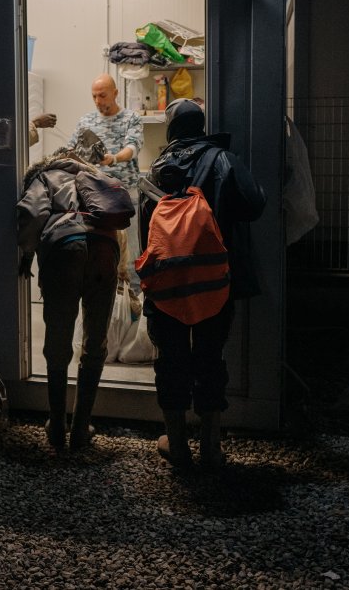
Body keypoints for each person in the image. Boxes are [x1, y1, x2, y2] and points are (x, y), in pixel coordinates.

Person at [138, 98, 266, 473]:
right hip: (214, 280)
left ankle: (177, 444)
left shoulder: (157, 167)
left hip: (168, 284)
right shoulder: (223, 160)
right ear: (201, 126)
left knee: (171, 359)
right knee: (210, 357)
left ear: (172, 130)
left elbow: (146, 232)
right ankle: (210, 447)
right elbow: (254, 205)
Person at [16, 150, 119, 451]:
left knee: (58, 340)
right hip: (105, 250)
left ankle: (58, 425)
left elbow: (32, 214)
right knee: (95, 340)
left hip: (65, 248)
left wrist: (27, 251)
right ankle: (81, 427)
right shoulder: (96, 177)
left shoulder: (44, 176)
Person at [67, 73, 144, 293]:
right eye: (94, 96)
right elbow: (71, 150)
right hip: (94, 197)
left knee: (131, 254)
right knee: (98, 250)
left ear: (115, 93)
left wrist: (114, 158)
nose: (98, 101)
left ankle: (133, 300)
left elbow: (133, 148)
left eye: (102, 95)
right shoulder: (86, 122)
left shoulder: (131, 118)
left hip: (125, 194)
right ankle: (102, 299)